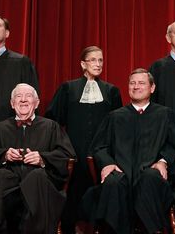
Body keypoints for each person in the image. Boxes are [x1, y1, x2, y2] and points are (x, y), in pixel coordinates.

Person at [82, 68, 175, 234]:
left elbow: (174, 145)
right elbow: (99, 147)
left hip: (150, 173)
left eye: (141, 83)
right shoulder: (115, 116)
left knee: (150, 178)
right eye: (132, 83)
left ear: (152, 88)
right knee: (113, 183)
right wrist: (108, 164)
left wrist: (162, 161)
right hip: (121, 172)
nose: (136, 87)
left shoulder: (165, 115)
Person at [0, 83, 76, 234]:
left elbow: (67, 156)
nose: (23, 100)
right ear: (12, 103)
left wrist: (42, 158)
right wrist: (4, 155)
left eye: (28, 96)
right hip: (8, 190)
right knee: (0, 176)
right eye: (18, 96)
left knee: (37, 177)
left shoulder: (51, 127)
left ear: (37, 102)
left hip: (39, 188)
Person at [45, 45, 122, 233]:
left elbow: (118, 125)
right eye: (93, 60)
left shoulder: (111, 90)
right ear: (82, 64)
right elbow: (53, 120)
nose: (98, 64)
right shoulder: (68, 88)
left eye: (101, 60)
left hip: (101, 152)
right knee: (72, 189)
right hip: (74, 149)